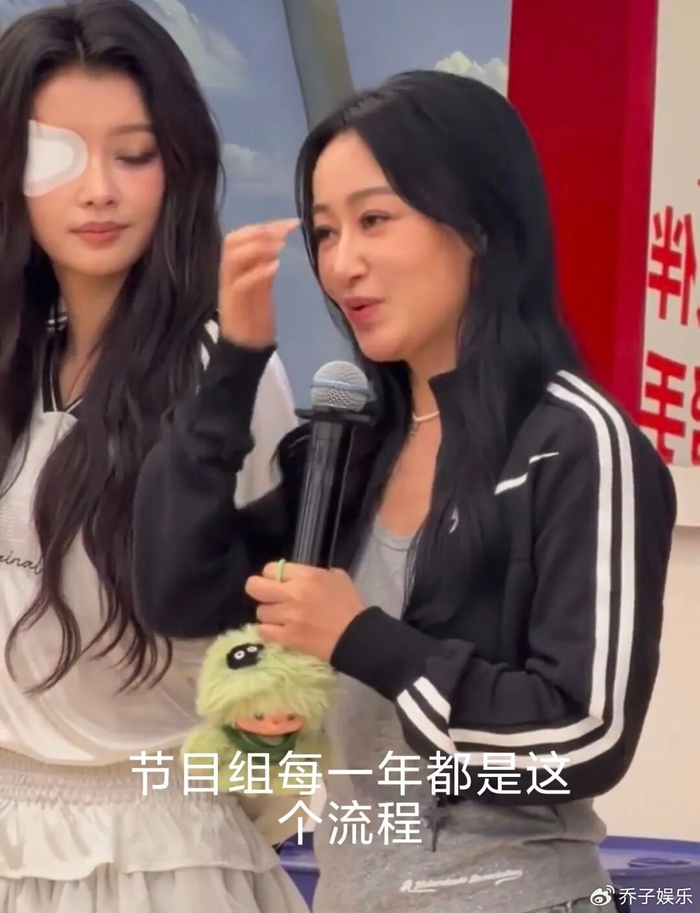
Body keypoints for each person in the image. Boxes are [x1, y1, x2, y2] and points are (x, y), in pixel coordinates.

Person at [132, 70, 677, 913]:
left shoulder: (575, 441)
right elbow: (176, 589)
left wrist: (363, 639)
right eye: (324, 231)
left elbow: (584, 735)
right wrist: (234, 365)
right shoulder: (349, 449)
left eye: (375, 219)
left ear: (479, 226)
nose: (342, 262)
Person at [0, 1, 311, 911]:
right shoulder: (15, 362)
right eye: (56, 156)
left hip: (163, 849)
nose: (97, 190)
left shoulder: (226, 373)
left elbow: (273, 642)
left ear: (176, 166)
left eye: (132, 154)